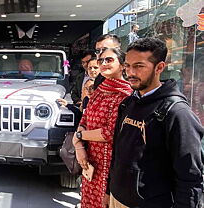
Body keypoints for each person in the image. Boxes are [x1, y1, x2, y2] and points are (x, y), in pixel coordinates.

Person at [104, 37, 204, 208]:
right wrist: (108, 191)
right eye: (127, 66)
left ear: (159, 67)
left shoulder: (177, 113)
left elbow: (190, 175)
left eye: (139, 66)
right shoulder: (128, 103)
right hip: (117, 198)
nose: (130, 72)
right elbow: (118, 153)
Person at [72, 48, 133, 208]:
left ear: (122, 66)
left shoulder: (125, 95)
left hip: (109, 167)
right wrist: (79, 148)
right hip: (90, 162)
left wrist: (79, 137)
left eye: (109, 60)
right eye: (101, 61)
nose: (103, 64)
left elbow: (109, 133)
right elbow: (84, 119)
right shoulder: (98, 91)